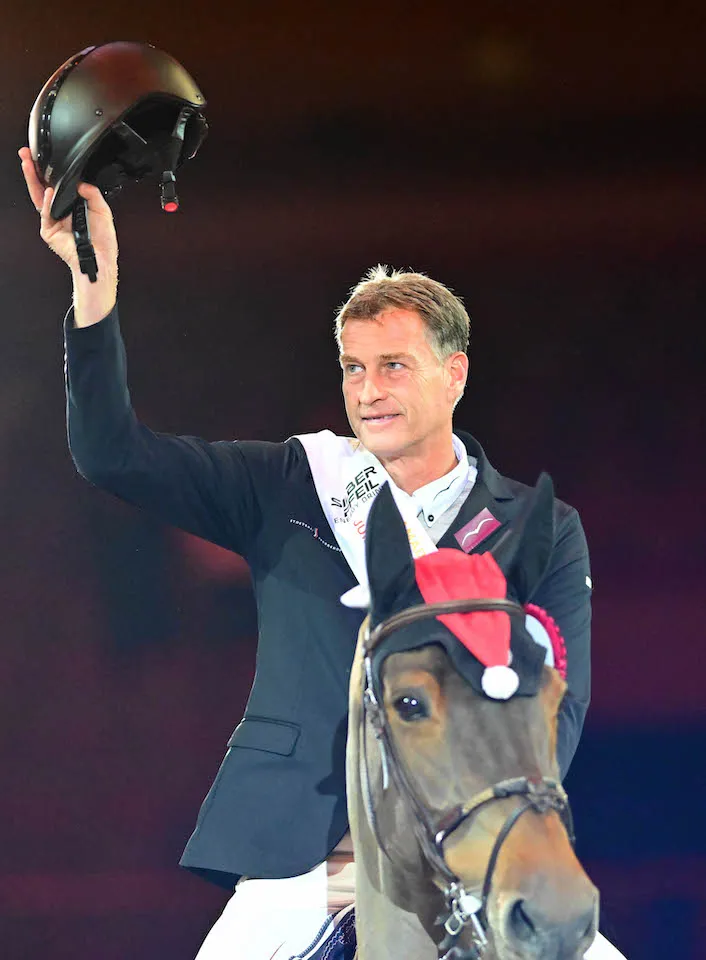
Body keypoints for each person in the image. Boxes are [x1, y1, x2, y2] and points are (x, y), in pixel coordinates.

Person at [19, 152, 621, 959]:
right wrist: (94, 294)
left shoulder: (535, 528)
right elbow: (111, 455)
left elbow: (561, 710)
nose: (367, 389)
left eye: (393, 366)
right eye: (352, 368)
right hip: (299, 865)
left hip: (477, 854)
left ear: (455, 375)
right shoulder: (294, 484)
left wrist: (460, 832)